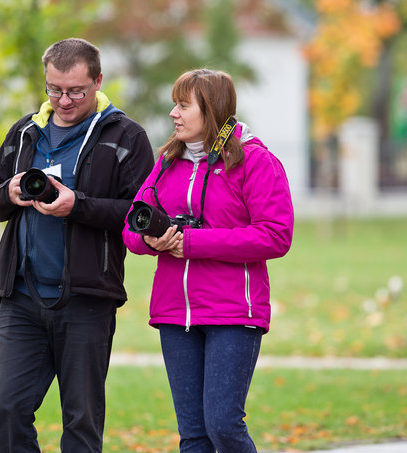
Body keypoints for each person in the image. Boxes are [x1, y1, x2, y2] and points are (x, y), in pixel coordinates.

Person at [0, 37, 154, 453]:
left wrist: (78, 206)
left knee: (81, 420)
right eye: (54, 89)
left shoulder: (126, 136)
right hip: (19, 296)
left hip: (87, 298)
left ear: (97, 81)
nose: (64, 100)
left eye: (76, 90)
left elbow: (141, 213)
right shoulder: (25, 132)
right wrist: (11, 192)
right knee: (7, 408)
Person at [122, 68, 294, 453]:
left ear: (211, 110)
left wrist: (195, 242)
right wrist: (153, 239)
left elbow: (275, 234)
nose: (173, 114)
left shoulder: (254, 161)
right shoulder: (168, 161)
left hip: (233, 311)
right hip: (174, 313)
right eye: (174, 104)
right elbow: (131, 227)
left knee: (223, 426)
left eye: (183, 105)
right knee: (194, 436)